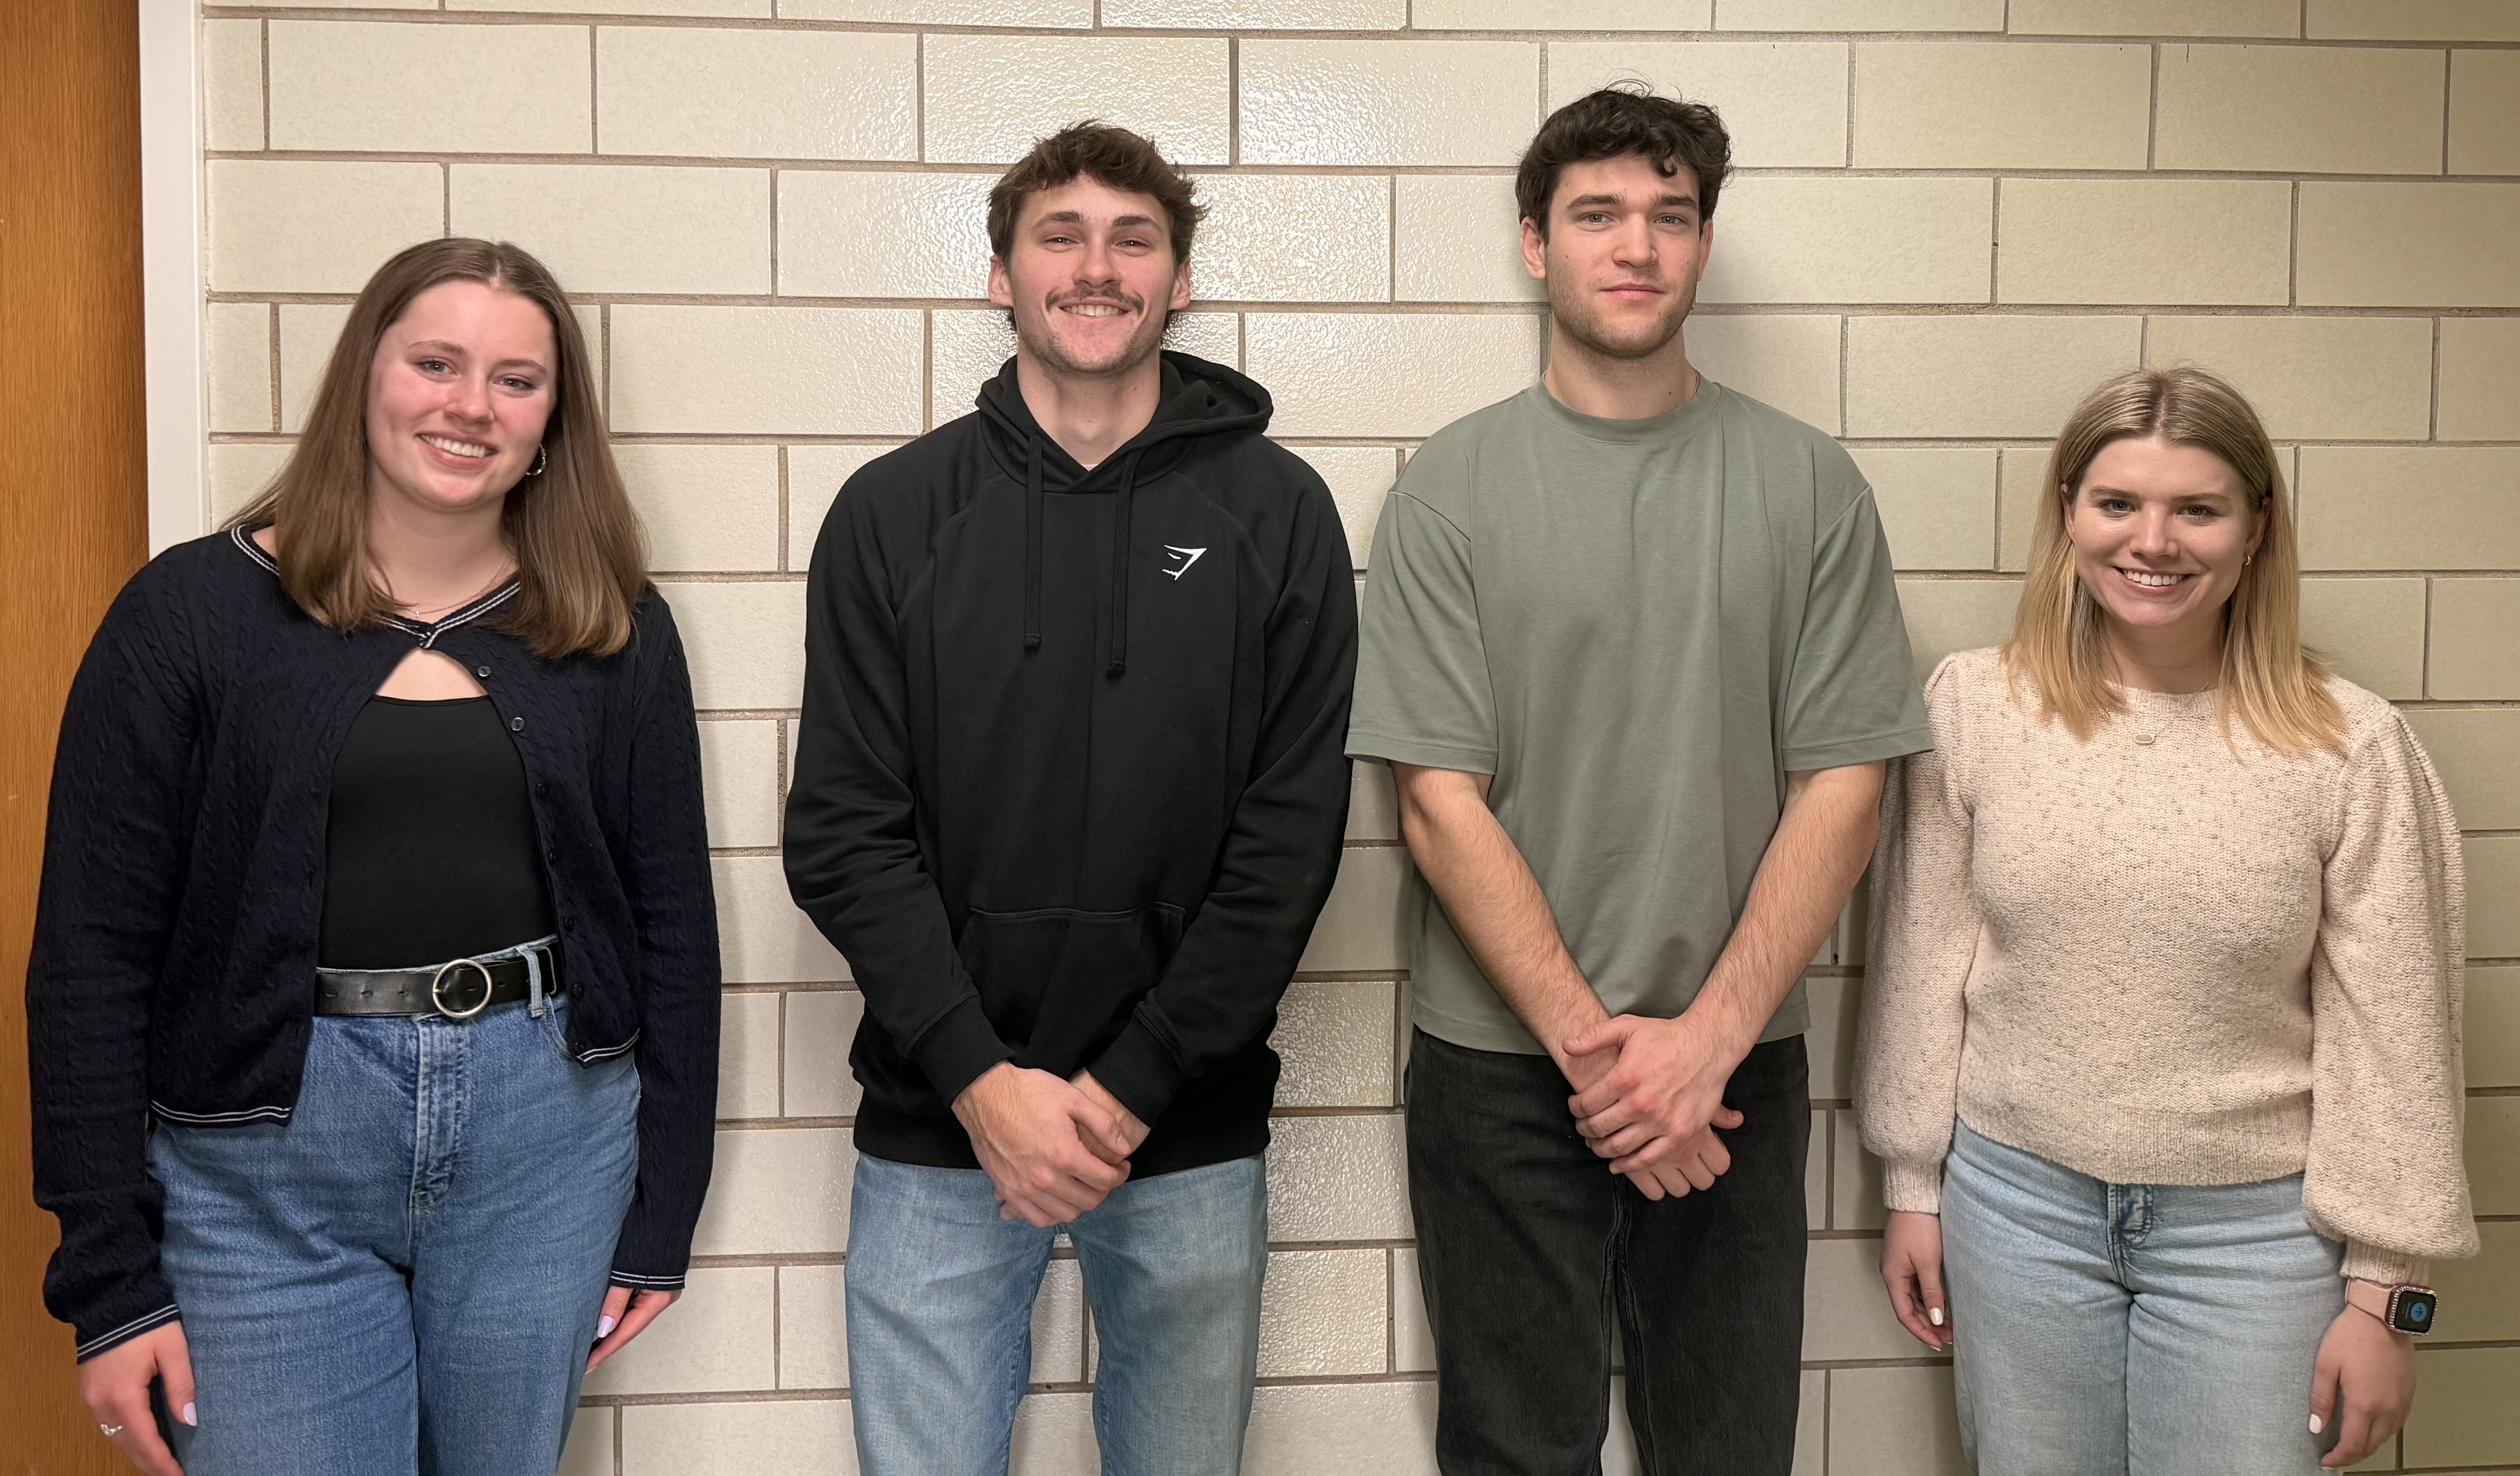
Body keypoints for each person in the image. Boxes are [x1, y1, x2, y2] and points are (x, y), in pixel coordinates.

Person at [29, 238, 721, 1476]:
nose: (470, 405)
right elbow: (87, 957)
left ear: (553, 419)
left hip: (546, 1155)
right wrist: (111, 1279)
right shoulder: (190, 616)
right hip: (260, 1174)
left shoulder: (614, 627)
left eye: (517, 379)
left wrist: (662, 1210)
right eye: (435, 362)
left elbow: (673, 925)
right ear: (364, 377)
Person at [1347, 83, 1933, 1475]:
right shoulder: (1450, 490)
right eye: (1597, 213)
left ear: (1702, 246)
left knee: (1727, 1447)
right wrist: (1602, 1061)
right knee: (1510, 1446)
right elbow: (1437, 800)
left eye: (1669, 217)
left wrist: (1702, 1045)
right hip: (1499, 1067)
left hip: (1734, 1067)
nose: (1635, 244)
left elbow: (1844, 786)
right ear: (1532, 244)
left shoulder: (1809, 487)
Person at [783, 121, 1357, 1476]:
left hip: (1185, 1125)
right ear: (1000, 277)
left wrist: (1132, 1085)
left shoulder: (1277, 513)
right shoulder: (893, 513)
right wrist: (982, 1082)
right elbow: (842, 828)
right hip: (939, 1123)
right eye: (1060, 236)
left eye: (1132, 239)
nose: (1095, 267)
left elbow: (1288, 844)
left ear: (1179, 279)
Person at [1856, 365, 2475, 1474]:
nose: (2154, 541)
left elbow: (2398, 1040)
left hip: (2260, 1241)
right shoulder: (1975, 706)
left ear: (2254, 530)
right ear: (2067, 515)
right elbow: (1920, 964)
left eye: (2196, 508)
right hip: (2016, 1211)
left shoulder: (2349, 746)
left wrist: (2388, 1298)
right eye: (2117, 504)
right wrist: (1912, 1187)